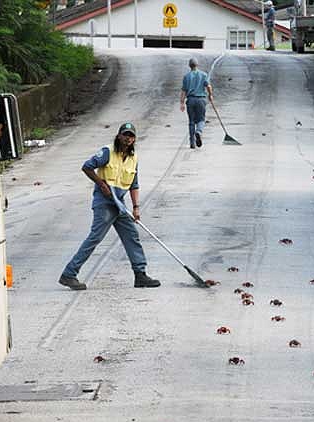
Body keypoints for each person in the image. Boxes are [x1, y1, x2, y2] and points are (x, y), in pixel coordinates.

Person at [59, 123, 161, 290]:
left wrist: (136, 207)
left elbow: (134, 184)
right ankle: (69, 274)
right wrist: (101, 184)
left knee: (132, 237)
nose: (128, 138)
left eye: (131, 136)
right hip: (104, 203)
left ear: (134, 139)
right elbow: (87, 166)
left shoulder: (134, 158)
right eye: (125, 135)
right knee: (95, 238)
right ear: (119, 136)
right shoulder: (107, 152)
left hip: (120, 204)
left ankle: (140, 274)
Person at [179, 58, 213, 150]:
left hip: (190, 100)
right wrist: (210, 95)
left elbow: (183, 91)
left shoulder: (186, 77)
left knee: (191, 122)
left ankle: (192, 143)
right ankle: (199, 131)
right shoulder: (203, 75)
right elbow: (208, 86)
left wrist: (182, 103)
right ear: (197, 65)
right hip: (201, 100)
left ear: (189, 66)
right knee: (201, 119)